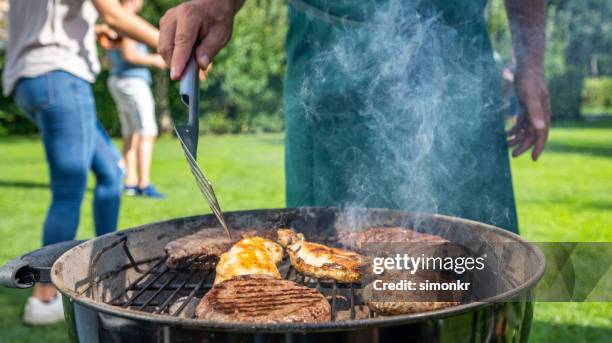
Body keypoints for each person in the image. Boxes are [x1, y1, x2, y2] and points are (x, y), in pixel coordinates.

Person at [158, 0, 549, 233]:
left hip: (458, 58)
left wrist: (531, 62)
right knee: (332, 269)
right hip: (330, 62)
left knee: (472, 267)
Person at [2, 0, 160, 325]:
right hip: (60, 75)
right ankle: (44, 299)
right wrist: (170, 45)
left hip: (29, 77)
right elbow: (114, 12)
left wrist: (95, 29)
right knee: (68, 190)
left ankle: (112, 272)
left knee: (111, 172)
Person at [106, 0, 167, 198]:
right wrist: (155, 59)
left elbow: (108, 58)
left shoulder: (111, 23)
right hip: (133, 82)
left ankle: (130, 182)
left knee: (130, 132)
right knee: (147, 131)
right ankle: (144, 183)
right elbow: (130, 54)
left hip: (117, 79)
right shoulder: (126, 20)